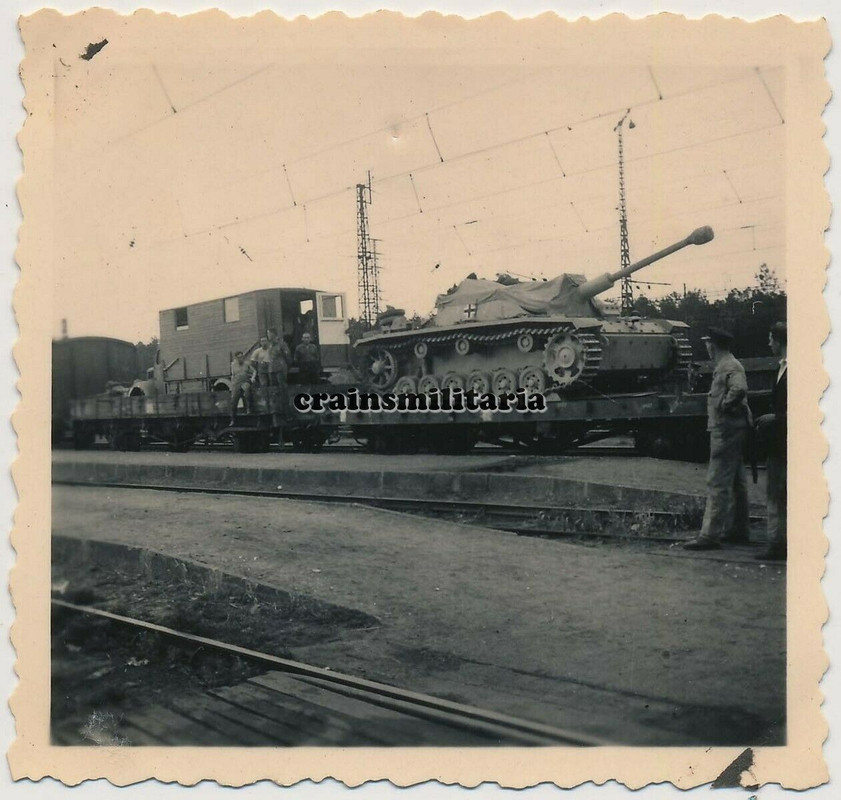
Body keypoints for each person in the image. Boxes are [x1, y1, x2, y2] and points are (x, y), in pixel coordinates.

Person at [684, 326, 752, 551]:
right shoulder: (728, 365)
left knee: (717, 480)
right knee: (736, 482)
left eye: (706, 343)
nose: (706, 347)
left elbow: (739, 389)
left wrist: (724, 405)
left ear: (712, 345)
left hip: (726, 430)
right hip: (733, 428)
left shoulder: (729, 366)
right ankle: (738, 530)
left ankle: (710, 535)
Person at [754, 322, 787, 561]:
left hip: (781, 442)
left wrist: (774, 417)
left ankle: (776, 544)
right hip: (782, 440)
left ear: (778, 340)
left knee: (775, 494)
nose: (768, 344)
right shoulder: (783, 367)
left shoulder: (789, 368)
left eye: (770, 339)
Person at [229, 351, 255, 425]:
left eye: (241, 357)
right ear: (236, 358)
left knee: (247, 391)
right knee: (233, 400)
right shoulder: (233, 365)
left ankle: (248, 409)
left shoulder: (247, 364)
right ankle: (232, 419)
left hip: (245, 381)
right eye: (238, 357)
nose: (240, 358)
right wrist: (231, 386)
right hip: (236, 383)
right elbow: (233, 375)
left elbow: (254, 371)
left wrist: (252, 378)